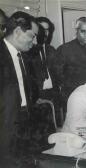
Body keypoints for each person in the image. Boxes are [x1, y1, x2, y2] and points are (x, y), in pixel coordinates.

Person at [0, 11, 38, 167]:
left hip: (24, 128)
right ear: (17, 32)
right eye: (32, 36)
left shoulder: (24, 57)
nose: (35, 42)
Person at [54, 17, 86, 115]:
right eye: (82, 31)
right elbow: (57, 76)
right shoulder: (64, 49)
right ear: (77, 31)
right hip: (72, 97)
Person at [28, 17, 62, 125]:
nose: (45, 33)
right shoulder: (28, 51)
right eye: (42, 29)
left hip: (53, 95)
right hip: (38, 98)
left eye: (47, 30)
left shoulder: (51, 50)